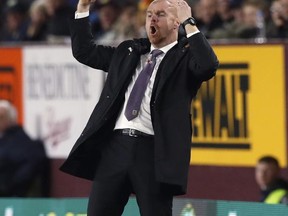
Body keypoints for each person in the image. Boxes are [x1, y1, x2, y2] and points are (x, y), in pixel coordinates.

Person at [60, 0, 218, 215]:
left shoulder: (185, 59)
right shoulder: (129, 51)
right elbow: (84, 52)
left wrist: (189, 23)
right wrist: (83, 9)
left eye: (160, 14)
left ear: (175, 23)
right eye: (149, 14)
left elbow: (208, 65)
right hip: (115, 147)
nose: (152, 18)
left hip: (154, 152)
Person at [0, 100, 48, 197]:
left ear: (10, 119)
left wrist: (6, 187)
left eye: (1, 117)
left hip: (15, 198)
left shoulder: (23, 144)